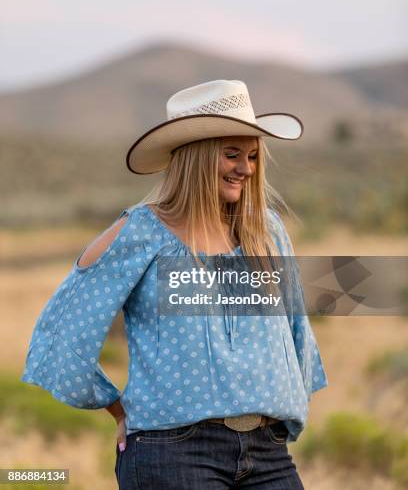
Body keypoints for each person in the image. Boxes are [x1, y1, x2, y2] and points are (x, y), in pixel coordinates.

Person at [21, 79, 328, 489]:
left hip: (268, 453)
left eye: (253, 156)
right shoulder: (140, 233)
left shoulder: (266, 231)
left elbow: (298, 335)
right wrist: (119, 409)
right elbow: (61, 339)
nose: (246, 168)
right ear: (196, 158)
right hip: (174, 454)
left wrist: (280, 404)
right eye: (232, 154)